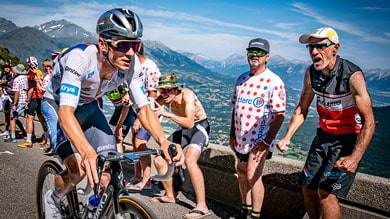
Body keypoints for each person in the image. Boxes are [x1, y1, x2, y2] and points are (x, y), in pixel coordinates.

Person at [43, 8, 182, 218]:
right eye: (123, 45)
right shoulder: (80, 59)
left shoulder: (132, 65)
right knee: (78, 169)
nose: (131, 53)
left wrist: (163, 141)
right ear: (102, 44)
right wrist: (87, 150)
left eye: (135, 45)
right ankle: (53, 197)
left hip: (88, 106)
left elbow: (143, 108)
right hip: (57, 104)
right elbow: (65, 113)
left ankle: (93, 209)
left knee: (109, 163)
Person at [276, 27, 375, 219]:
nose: (314, 52)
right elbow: (302, 109)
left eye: (321, 46)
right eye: (311, 47)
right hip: (322, 136)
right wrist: (287, 137)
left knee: (326, 194)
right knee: (308, 186)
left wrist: (354, 157)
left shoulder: (352, 76)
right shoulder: (311, 74)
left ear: (335, 48)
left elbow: (369, 121)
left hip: (346, 141)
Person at [229, 38, 286, 219]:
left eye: (259, 52)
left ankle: (255, 215)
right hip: (240, 138)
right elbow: (235, 108)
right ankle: (245, 210)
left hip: (260, 139)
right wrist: (232, 133)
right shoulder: (242, 78)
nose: (254, 55)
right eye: (251, 51)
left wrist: (267, 141)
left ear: (267, 57)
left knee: (253, 175)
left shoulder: (273, 81)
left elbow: (280, 115)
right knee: (241, 172)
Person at [151, 73, 211, 219]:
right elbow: (148, 111)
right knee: (159, 159)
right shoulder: (163, 98)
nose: (163, 94)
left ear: (175, 89)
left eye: (166, 90)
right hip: (182, 129)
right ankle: (170, 195)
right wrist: (138, 122)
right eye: (160, 90)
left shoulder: (187, 95)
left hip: (198, 127)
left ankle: (202, 206)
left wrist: (167, 114)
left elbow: (190, 123)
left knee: (190, 161)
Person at [127, 43, 161, 191]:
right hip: (136, 110)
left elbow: (153, 95)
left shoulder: (150, 67)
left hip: (149, 112)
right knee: (135, 144)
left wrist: (141, 119)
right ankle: (137, 175)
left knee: (140, 142)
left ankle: (146, 181)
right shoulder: (133, 67)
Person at [18, 57, 49, 148]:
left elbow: (31, 88)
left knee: (29, 118)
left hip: (34, 97)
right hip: (41, 97)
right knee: (41, 119)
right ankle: (46, 138)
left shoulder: (31, 73)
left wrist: (27, 100)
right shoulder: (39, 72)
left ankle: (28, 140)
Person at [4, 63, 28, 143]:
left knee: (12, 118)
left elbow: (16, 93)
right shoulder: (26, 78)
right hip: (27, 100)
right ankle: (30, 136)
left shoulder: (16, 80)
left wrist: (14, 104)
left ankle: (13, 137)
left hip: (20, 101)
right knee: (29, 119)